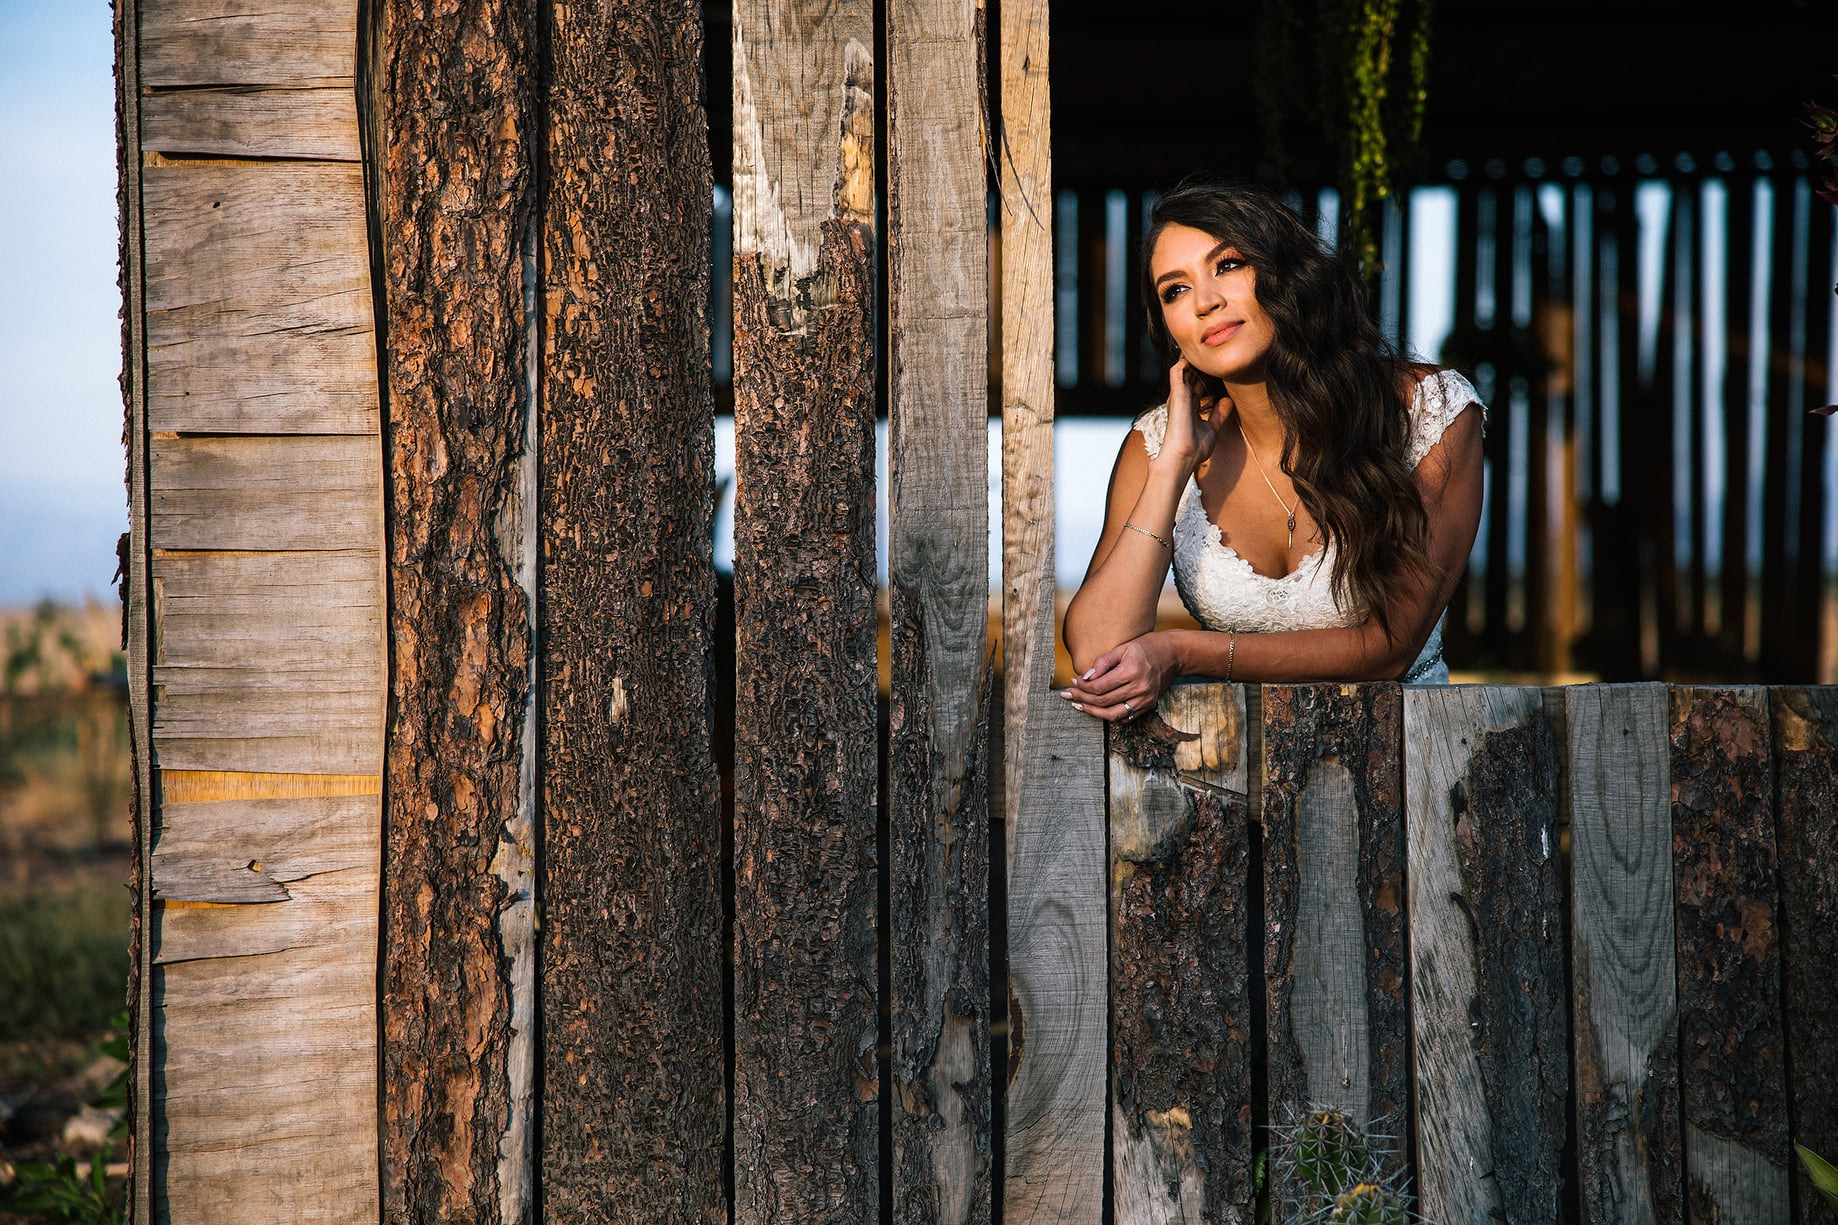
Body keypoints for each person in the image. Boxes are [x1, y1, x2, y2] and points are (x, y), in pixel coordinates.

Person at [1060, 179, 1486, 722]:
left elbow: (1391, 647)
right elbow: (1099, 652)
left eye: (1227, 265)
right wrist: (1173, 468)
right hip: (1234, 780)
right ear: (1169, 330)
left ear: (1285, 272)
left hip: (1408, 769)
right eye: (1175, 290)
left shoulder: (1429, 411)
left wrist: (1183, 650)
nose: (1206, 302)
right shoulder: (1159, 443)